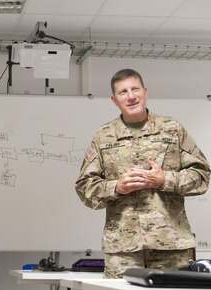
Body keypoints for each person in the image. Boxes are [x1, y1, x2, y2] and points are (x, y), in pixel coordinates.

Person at [75, 69, 211, 278]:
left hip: (172, 246)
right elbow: (85, 187)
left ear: (145, 92)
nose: (131, 96)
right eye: (123, 92)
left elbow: (202, 176)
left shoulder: (172, 129)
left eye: (135, 89)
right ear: (114, 99)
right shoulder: (103, 137)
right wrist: (116, 187)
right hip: (123, 251)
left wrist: (165, 179)